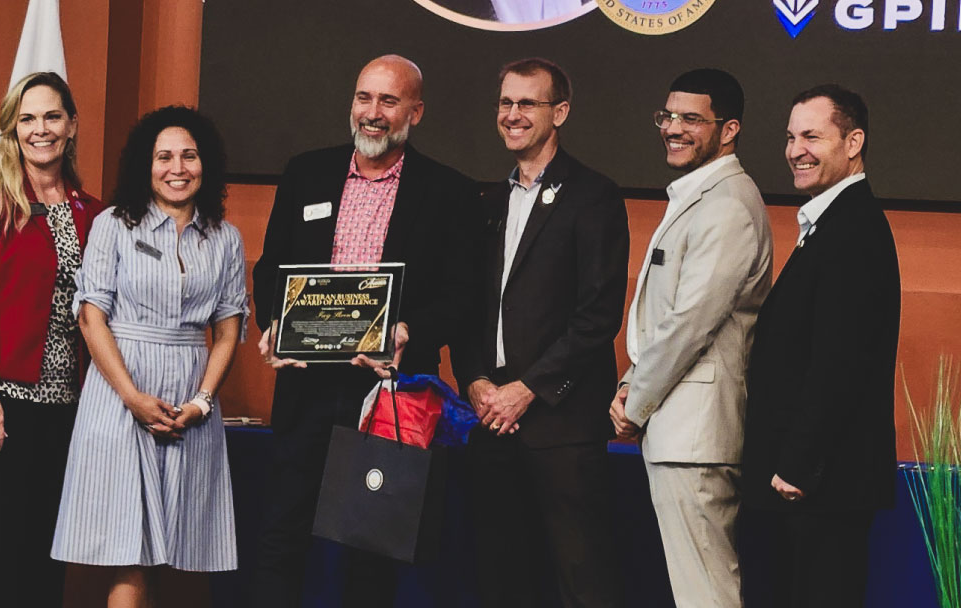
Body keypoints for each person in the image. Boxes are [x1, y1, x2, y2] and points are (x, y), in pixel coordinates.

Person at [250, 54, 479, 607]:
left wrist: (407, 329)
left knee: (371, 548)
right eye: (363, 98)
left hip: (387, 396)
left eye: (388, 101)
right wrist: (275, 323)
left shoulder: (448, 191)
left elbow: (462, 296)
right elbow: (270, 267)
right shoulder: (306, 171)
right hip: (305, 388)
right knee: (282, 539)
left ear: (415, 112)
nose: (372, 114)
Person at [51, 106, 246, 606]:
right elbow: (91, 317)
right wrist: (132, 397)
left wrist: (202, 402)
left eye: (189, 155)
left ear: (207, 165)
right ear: (146, 164)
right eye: (164, 156)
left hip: (191, 403)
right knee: (129, 551)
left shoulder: (225, 238)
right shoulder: (112, 225)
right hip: (120, 393)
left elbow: (228, 330)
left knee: (175, 554)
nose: (177, 167)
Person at [457, 57, 629, 608]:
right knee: (502, 579)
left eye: (527, 103)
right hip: (493, 424)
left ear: (560, 112)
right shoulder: (488, 202)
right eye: (505, 103)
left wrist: (525, 389)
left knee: (583, 581)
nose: (512, 114)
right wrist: (475, 379)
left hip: (562, 425)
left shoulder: (593, 195)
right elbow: (472, 307)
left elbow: (598, 315)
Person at [609, 68, 772, 608]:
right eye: (668, 116)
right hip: (680, 432)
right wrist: (634, 385)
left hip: (695, 438)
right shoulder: (701, 193)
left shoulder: (727, 204)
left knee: (707, 594)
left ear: (728, 130)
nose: (673, 128)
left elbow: (689, 323)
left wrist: (635, 402)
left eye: (691, 119)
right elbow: (667, 320)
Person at [0, 71, 105, 607]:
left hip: (64, 406)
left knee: (45, 550)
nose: (41, 129)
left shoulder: (93, 211)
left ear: (72, 125)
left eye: (52, 116)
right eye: (28, 118)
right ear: (13, 130)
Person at [741, 85, 899, 607]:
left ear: (853, 142)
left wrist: (799, 464)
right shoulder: (831, 223)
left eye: (812, 136)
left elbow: (840, 361)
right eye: (790, 137)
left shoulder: (852, 229)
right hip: (810, 482)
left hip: (818, 486)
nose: (795, 150)